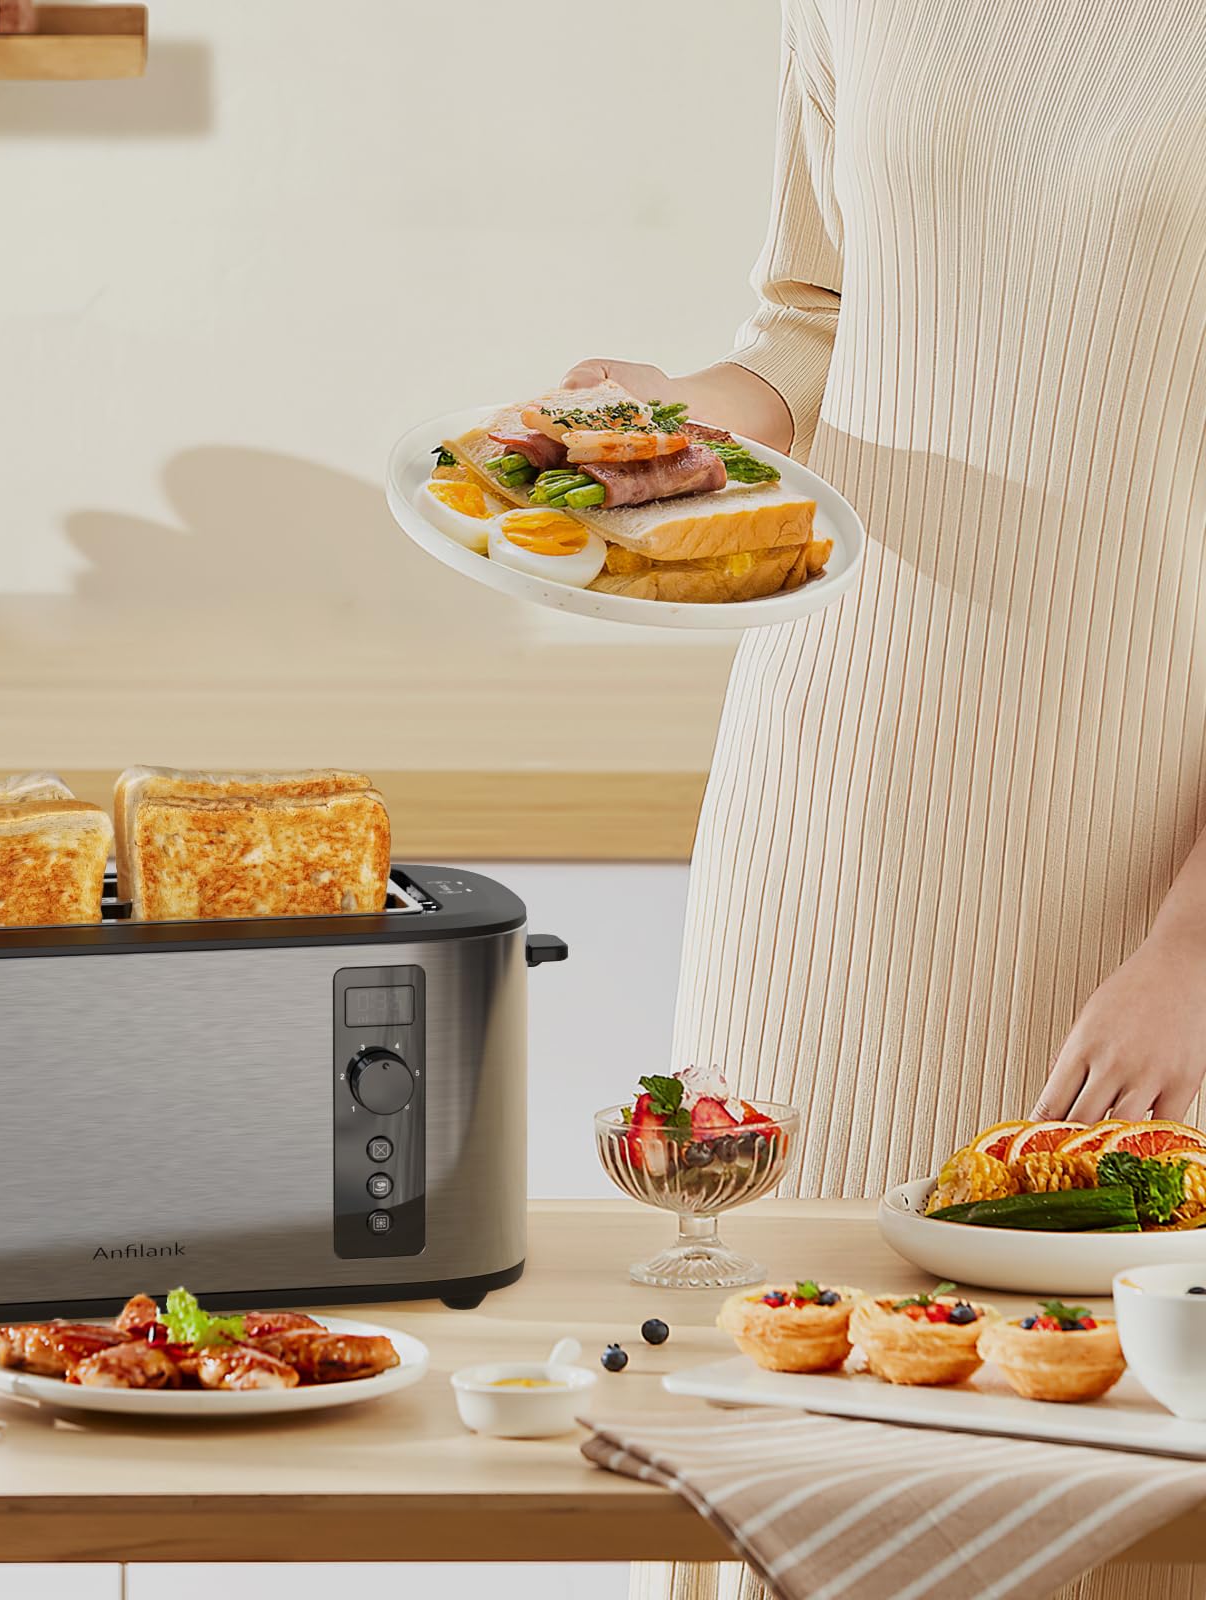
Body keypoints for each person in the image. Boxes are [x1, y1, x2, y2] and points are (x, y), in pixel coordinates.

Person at [569, 2, 1206, 1597]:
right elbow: (813, 311)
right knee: (773, 1412)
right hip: (839, 789)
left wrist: (1196, 945)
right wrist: (695, 424)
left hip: (1147, 840)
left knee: (1113, 1474)